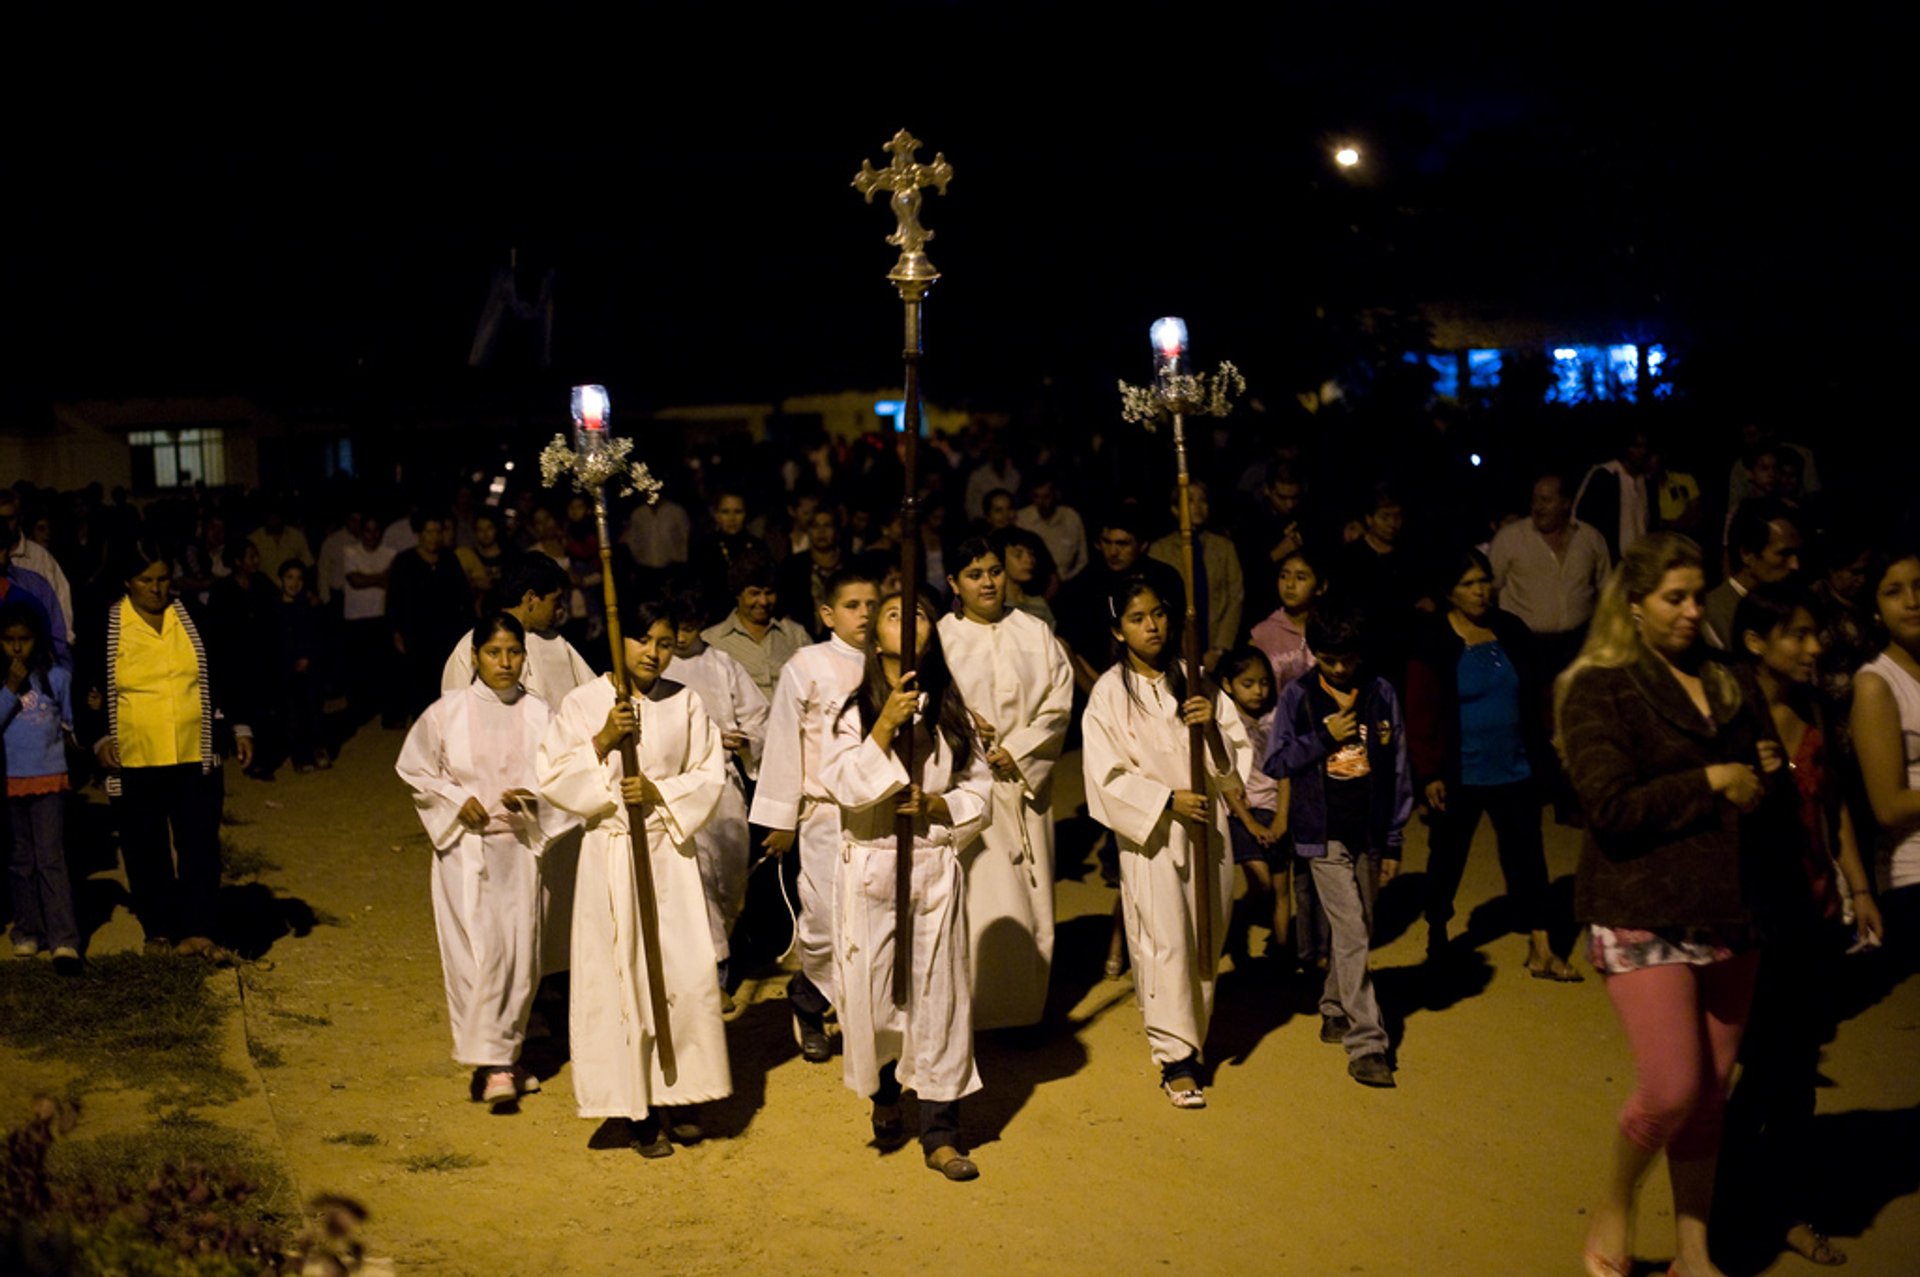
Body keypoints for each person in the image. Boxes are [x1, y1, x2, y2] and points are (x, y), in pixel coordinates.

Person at [1556, 532, 1769, 1277]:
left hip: (1731, 907)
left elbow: (1760, 769)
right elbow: (1609, 806)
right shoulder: (1599, 685)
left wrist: (1761, 773)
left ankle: (1693, 1249)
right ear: (1635, 606)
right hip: (1640, 904)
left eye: (1695, 595)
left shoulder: (1728, 678)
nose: (1688, 610)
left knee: (1711, 1091)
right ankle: (1615, 1200)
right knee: (1673, 1085)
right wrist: (1711, 780)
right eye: (1671, 597)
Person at [1716, 584, 1884, 1269]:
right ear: (1757, 641)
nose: (1815, 648)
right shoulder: (1730, 712)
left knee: (1792, 1078)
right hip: (1751, 920)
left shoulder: (1812, 707)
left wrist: (1861, 886)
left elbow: (1833, 805)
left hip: (1812, 914)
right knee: (1753, 1071)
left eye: (1816, 635)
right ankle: (1725, 1211)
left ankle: (1784, 1208)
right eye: (1800, 635)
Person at [536, 598, 730, 1158]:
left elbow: (708, 773)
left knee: (681, 977)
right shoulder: (583, 703)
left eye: (665, 642)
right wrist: (601, 740)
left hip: (670, 853)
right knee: (624, 977)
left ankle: (683, 1091)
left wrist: (660, 793)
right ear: (619, 643)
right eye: (643, 639)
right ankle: (637, 1108)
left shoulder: (686, 703)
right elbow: (551, 775)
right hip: (614, 854)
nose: (653, 652)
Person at [820, 587, 992, 1180]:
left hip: (931, 868)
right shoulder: (852, 710)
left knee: (938, 998)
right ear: (875, 637)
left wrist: (941, 805)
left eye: (917, 612)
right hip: (872, 868)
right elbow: (841, 783)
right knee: (875, 998)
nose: (906, 621)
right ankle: (886, 1095)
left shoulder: (951, 709)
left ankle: (942, 1131)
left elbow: (981, 788)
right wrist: (885, 729)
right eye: (893, 614)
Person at [1082, 577, 1249, 1108]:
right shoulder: (1109, 694)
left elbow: (1234, 766)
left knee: (1206, 933)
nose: (1151, 626)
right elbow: (1104, 778)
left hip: (1209, 830)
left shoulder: (1193, 678)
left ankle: (1194, 1035)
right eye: (1137, 618)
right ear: (1118, 630)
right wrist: (1164, 800)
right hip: (1153, 836)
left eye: (1157, 614)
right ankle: (1174, 1056)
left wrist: (1213, 730)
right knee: (1163, 940)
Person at [396, 614, 571, 1109]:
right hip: (466, 852)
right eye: (494, 653)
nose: (505, 663)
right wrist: (455, 799)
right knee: (477, 951)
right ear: (475, 657)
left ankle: (507, 1054)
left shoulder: (541, 714)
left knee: (518, 953)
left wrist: (534, 798)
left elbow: (562, 776)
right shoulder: (447, 712)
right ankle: (494, 1064)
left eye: (514, 652)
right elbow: (416, 770)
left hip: (520, 851)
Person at [1407, 550, 1578, 979]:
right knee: (1447, 858)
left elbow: (1538, 691)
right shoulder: (1433, 641)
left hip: (1515, 768)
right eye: (1469, 583)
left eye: (1484, 581)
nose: (1481, 590)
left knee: (1529, 858)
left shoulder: (1510, 630)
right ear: (1450, 592)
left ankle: (1543, 948)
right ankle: (1438, 933)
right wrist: (1429, 774)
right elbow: (1420, 712)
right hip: (1460, 774)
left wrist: (1550, 739)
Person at [1264, 601, 1411, 1089]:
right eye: (1330, 661)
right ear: (1315, 654)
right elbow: (1278, 762)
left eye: (1348, 659)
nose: (1341, 669)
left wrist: (1392, 840)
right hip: (1321, 832)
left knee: (1360, 927)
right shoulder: (1299, 698)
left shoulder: (1381, 693)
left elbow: (1398, 770)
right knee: (1351, 930)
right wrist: (1324, 737)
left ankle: (1332, 1007)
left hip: (1367, 829)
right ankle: (1368, 1044)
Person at [83, 546, 254, 963]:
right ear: (128, 582)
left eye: (163, 579)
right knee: (146, 847)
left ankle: (198, 929)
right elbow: (84, 687)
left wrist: (239, 726)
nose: (157, 588)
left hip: (194, 752)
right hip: (135, 756)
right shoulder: (107, 623)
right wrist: (100, 739)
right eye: (147, 580)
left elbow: (227, 669)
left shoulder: (192, 614)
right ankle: (159, 928)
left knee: (199, 844)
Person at [938, 539, 1074, 1030]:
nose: (989, 582)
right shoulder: (940, 638)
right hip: (968, 787)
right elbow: (931, 705)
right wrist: (969, 735)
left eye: (995, 571)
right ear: (953, 583)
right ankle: (971, 1012)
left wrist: (1016, 750)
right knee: (977, 897)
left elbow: (1058, 705)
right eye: (974, 574)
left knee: (1031, 895)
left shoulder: (1034, 632)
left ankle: (1023, 1012)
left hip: (1022, 785)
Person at [748, 565, 879, 1061]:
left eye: (872, 604)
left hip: (879, 813)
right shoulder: (807, 664)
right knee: (824, 920)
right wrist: (781, 819)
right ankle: (809, 999)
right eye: (852, 606)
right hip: (826, 814)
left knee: (870, 919)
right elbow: (784, 739)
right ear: (827, 613)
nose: (864, 614)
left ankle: (865, 1021)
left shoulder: (890, 660)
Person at [667, 602, 769, 996]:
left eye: (690, 627)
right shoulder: (656, 665)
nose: (680, 638)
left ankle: (721, 952)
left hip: (722, 787)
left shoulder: (721, 664)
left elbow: (758, 717)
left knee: (728, 882)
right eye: (676, 627)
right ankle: (712, 973)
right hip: (676, 786)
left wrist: (744, 741)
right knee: (695, 879)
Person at [1850, 545, 1920, 968]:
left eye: (1919, 586)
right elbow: (1889, 807)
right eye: (1894, 591)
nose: (1912, 601)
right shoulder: (1876, 684)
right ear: (1874, 609)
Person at [2, 601, 80, 973]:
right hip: (11, 779)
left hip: (49, 778)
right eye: (8, 640)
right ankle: (27, 930)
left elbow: (69, 720)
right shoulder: (3, 681)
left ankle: (64, 938)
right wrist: (10, 687)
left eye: (25, 639)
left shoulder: (56, 677)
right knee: (21, 860)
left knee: (51, 858)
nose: (17, 648)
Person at [1489, 471, 1612, 678]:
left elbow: (1606, 589)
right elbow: (1490, 589)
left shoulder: (1590, 538)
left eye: (1546, 500)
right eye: (1535, 500)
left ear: (1566, 503)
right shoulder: (1510, 538)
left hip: (1577, 645)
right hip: (1525, 646)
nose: (1538, 508)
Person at [1215, 647, 1291, 965]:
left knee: (1280, 886)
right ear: (1228, 684)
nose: (1259, 691)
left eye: (1263, 683)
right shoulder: (1222, 721)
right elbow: (1224, 776)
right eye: (1248, 683)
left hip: (1273, 810)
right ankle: (1235, 932)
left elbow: (1286, 770)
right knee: (1259, 883)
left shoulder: (1277, 717)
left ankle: (1284, 954)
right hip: (1240, 813)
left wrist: (1281, 818)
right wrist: (1251, 823)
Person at [390, 513, 479, 721]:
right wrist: (396, 631)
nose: (433, 537)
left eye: (438, 532)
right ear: (419, 534)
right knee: (420, 689)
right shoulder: (405, 561)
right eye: (429, 532)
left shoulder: (449, 559)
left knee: (448, 686)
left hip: (448, 635)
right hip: (417, 636)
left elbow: (464, 597)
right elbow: (395, 600)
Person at [1149, 479, 1243, 670]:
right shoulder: (1160, 550)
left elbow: (1235, 597)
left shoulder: (1224, 548)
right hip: (1175, 649)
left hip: (1216, 645)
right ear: (1176, 509)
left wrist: (1219, 648)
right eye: (1190, 501)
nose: (1198, 507)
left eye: (1203, 500)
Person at [701, 546, 810, 701]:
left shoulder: (796, 635)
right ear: (738, 594)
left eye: (769, 593)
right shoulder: (712, 641)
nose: (763, 601)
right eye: (754, 593)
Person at [1704, 498, 1804, 651]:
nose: (1795, 565)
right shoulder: (1714, 615)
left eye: (1797, 555)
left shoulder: (1794, 603)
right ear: (1747, 554)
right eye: (1784, 554)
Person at [341, 513, 399, 728]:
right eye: (368, 530)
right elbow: (355, 580)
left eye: (376, 531)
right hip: (356, 618)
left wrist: (368, 577)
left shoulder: (390, 553)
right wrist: (379, 577)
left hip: (380, 616)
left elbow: (390, 582)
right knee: (357, 667)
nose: (372, 536)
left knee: (381, 668)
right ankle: (358, 709)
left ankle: (383, 710)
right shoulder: (350, 551)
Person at [0, 488, 76, 647]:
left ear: (19, 518)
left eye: (9, 519)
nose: (3, 525)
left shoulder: (39, 558)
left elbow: (60, 606)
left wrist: (61, 654)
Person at [275, 559, 328, 773]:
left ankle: (317, 748)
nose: (294, 583)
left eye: (298, 578)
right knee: (293, 715)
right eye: (289, 577)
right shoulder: (274, 608)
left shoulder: (309, 607)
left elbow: (318, 637)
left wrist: (308, 658)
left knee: (313, 711)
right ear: (281, 579)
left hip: (310, 669)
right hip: (286, 670)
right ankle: (300, 755)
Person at [1573, 427, 1655, 561]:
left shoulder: (1646, 481)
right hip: (1610, 559)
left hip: (1640, 559)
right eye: (1636, 446)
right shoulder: (1604, 475)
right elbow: (1582, 517)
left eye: (1644, 446)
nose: (1642, 452)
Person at [1015, 471, 1089, 583]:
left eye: (1046, 496)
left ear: (1056, 495)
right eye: (1036, 497)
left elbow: (1083, 559)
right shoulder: (1022, 519)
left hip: (1069, 583)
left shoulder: (1071, 517)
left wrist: (1067, 580)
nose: (1041, 502)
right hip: (1034, 585)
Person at [987, 525, 1057, 629]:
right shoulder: (994, 608)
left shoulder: (1039, 604)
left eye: (1031, 554)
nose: (1029, 560)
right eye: (1018, 555)